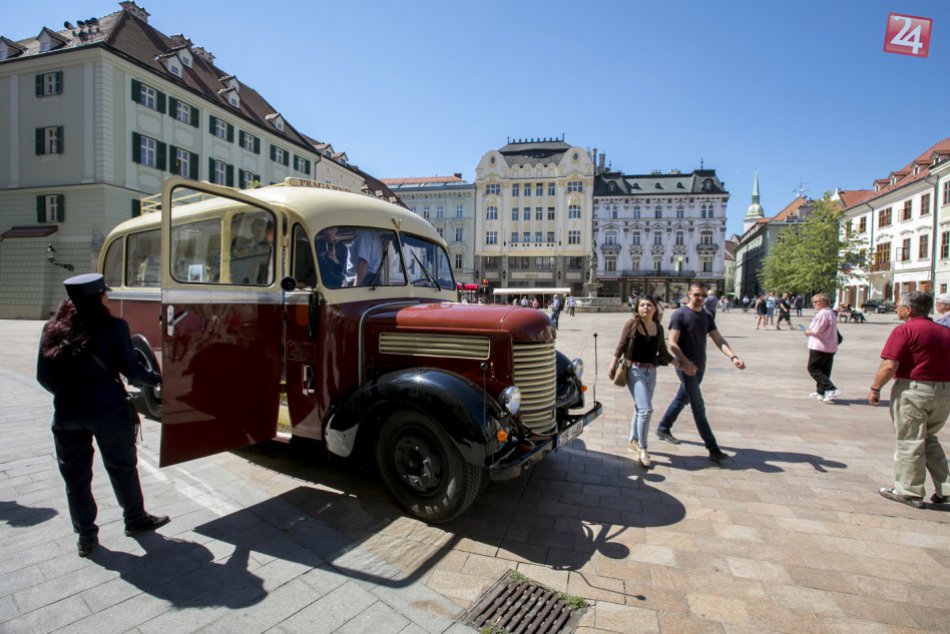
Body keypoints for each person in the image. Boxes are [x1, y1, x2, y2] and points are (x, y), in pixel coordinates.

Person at [36, 273, 168, 558]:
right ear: (98, 298)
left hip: (67, 414)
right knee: (122, 467)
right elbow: (131, 370)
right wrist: (155, 378)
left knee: (76, 478)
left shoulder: (52, 329)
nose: (108, 297)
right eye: (105, 293)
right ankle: (134, 520)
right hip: (109, 411)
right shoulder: (114, 327)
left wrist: (70, 396)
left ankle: (86, 536)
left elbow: (43, 376)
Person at [869, 291, 950, 508]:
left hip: (914, 390)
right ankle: (947, 489)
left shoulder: (905, 330)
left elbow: (889, 364)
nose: (896, 309)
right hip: (944, 391)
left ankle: (908, 490)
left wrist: (875, 388)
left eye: (899, 306)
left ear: (909, 309)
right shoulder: (944, 331)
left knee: (910, 440)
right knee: (928, 438)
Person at [655, 282, 746, 462]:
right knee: (698, 407)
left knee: (682, 399)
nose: (701, 298)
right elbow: (672, 343)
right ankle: (713, 448)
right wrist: (686, 363)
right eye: (697, 294)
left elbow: (718, 339)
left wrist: (733, 357)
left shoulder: (706, 315)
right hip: (685, 368)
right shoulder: (679, 314)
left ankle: (663, 427)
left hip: (700, 367)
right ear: (689, 293)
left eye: (704, 295)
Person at [608, 296, 674, 469]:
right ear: (637, 308)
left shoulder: (658, 328)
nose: (645, 308)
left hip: (651, 372)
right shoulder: (631, 325)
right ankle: (643, 449)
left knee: (640, 408)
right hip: (634, 371)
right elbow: (621, 346)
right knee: (646, 410)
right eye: (642, 305)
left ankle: (632, 441)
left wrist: (680, 364)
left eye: (649, 305)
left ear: (654, 309)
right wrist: (612, 366)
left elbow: (663, 352)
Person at [803, 293, 839, 402]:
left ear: (823, 302)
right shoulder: (831, 313)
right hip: (829, 346)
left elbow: (816, 330)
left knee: (813, 368)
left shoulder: (823, 314)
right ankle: (821, 392)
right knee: (824, 370)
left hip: (819, 346)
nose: (814, 304)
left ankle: (831, 388)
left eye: (816, 302)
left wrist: (807, 331)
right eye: (813, 302)